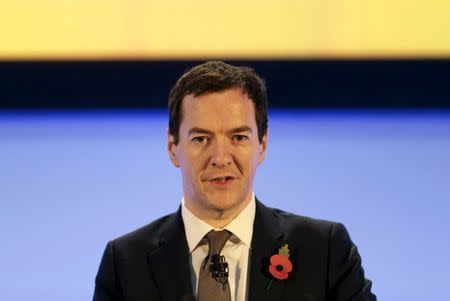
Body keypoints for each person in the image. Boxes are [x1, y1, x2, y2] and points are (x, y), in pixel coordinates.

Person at [93, 61, 376, 301]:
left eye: (238, 138)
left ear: (262, 145)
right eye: (201, 139)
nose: (220, 158)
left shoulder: (325, 251)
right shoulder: (126, 263)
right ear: (172, 147)